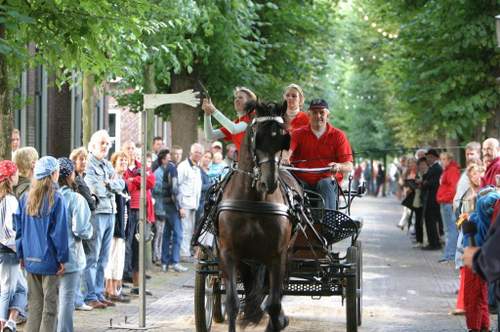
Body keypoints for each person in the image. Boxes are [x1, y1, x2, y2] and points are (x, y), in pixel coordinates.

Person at [15, 156, 69, 332]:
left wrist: (21, 254)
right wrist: (62, 258)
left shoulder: (25, 198)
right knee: (50, 307)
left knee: (34, 305)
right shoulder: (57, 198)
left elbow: (19, 230)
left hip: (30, 259)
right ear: (53, 173)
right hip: (50, 260)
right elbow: (59, 233)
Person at [83, 130, 125, 309]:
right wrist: (110, 185)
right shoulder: (89, 164)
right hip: (98, 213)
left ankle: (99, 293)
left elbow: (121, 184)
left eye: (108, 144)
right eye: (102, 143)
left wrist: (109, 184)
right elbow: (95, 188)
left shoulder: (108, 165)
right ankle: (89, 295)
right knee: (93, 256)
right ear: (92, 145)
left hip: (110, 212)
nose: (106, 147)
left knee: (104, 258)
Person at [289, 99, 353, 210]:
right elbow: (288, 152)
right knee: (290, 185)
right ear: (309, 115)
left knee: (325, 184)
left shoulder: (338, 135)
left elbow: (349, 165)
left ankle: (328, 224)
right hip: (302, 182)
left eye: (321, 112)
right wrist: (285, 158)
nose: (318, 116)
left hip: (327, 182)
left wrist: (338, 166)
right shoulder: (297, 133)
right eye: (314, 112)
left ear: (327, 114)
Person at [56, 158, 93, 332]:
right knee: (66, 300)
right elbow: (81, 230)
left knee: (51, 301)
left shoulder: (47, 197)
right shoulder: (76, 199)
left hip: (49, 256)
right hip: (71, 256)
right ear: (71, 174)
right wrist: (90, 230)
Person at [122, 141, 155, 295]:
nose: (131, 151)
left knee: (139, 248)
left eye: (133, 149)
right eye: (128, 148)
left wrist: (133, 181)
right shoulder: (122, 167)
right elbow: (125, 186)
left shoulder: (142, 167)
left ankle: (137, 285)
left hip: (141, 211)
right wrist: (136, 182)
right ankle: (121, 282)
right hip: (127, 211)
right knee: (125, 247)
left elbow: (150, 181)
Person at [0, 161, 26, 332]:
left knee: (22, 288)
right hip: (8, 250)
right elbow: (9, 229)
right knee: (7, 289)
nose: (18, 176)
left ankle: (11, 322)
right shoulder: (9, 200)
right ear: (9, 177)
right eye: (16, 173)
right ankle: (3, 324)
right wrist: (19, 248)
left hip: (6, 250)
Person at [104, 152, 131, 303]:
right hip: (115, 225)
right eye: (121, 160)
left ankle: (116, 288)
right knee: (111, 258)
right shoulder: (113, 179)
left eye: (126, 161)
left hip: (123, 225)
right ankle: (109, 289)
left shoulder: (123, 181)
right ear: (113, 162)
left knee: (119, 258)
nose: (124, 163)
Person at [202, 86, 257, 153]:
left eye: (240, 97)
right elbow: (210, 136)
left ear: (250, 101)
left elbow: (234, 129)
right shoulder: (236, 123)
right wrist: (207, 114)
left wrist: (214, 111)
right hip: (244, 162)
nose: (236, 100)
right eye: (236, 98)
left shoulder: (253, 116)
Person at [177, 143, 204, 261]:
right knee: (184, 229)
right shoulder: (183, 167)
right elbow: (176, 186)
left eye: (200, 153)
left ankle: (186, 252)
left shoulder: (197, 168)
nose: (198, 154)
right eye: (196, 152)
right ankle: (183, 254)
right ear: (191, 153)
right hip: (184, 204)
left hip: (193, 204)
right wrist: (179, 206)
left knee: (189, 230)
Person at [436, 152, 461, 262]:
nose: (442, 161)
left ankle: (450, 255)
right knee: (449, 230)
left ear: (450, 159)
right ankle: (449, 254)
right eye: (441, 159)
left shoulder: (452, 170)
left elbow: (453, 188)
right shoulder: (447, 170)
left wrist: (444, 198)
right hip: (446, 202)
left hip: (449, 203)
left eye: (444, 159)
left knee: (451, 229)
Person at [420, 149, 443, 250]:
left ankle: (434, 243)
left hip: (433, 199)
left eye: (429, 157)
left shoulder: (437, 168)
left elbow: (434, 183)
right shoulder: (432, 168)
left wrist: (425, 183)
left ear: (434, 157)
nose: (428, 159)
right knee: (429, 221)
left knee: (431, 221)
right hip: (430, 198)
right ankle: (432, 241)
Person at [152, 149, 170, 265]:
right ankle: (156, 256)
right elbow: (156, 189)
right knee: (158, 232)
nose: (170, 160)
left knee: (163, 232)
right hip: (159, 207)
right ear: (163, 160)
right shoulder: (158, 173)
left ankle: (160, 255)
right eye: (168, 158)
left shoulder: (167, 171)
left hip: (165, 207)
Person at [69, 147, 97, 212]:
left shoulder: (83, 177)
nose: (84, 162)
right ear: (74, 162)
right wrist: (94, 197)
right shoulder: (77, 180)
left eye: (85, 159)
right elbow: (91, 204)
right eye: (81, 159)